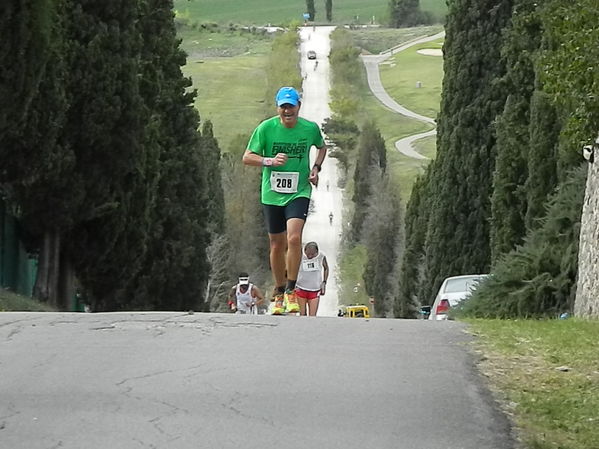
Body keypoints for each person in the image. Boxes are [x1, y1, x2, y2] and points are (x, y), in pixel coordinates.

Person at [243, 86, 327, 315]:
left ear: (299, 106)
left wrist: (316, 168)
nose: (287, 111)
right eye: (284, 107)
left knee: (294, 237)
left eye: (291, 106)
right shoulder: (266, 129)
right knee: (276, 244)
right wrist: (269, 161)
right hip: (272, 193)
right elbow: (247, 157)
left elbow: (321, 146)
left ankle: (291, 289)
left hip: (298, 191)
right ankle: (279, 292)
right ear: (278, 108)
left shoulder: (309, 128)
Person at [295, 242, 329, 316]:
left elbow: (326, 268)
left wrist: (324, 282)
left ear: (317, 252)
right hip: (301, 288)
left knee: (312, 316)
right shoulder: (299, 256)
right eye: (308, 254)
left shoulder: (321, 256)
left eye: (313, 255)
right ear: (304, 251)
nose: (310, 256)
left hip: (315, 289)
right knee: (302, 314)